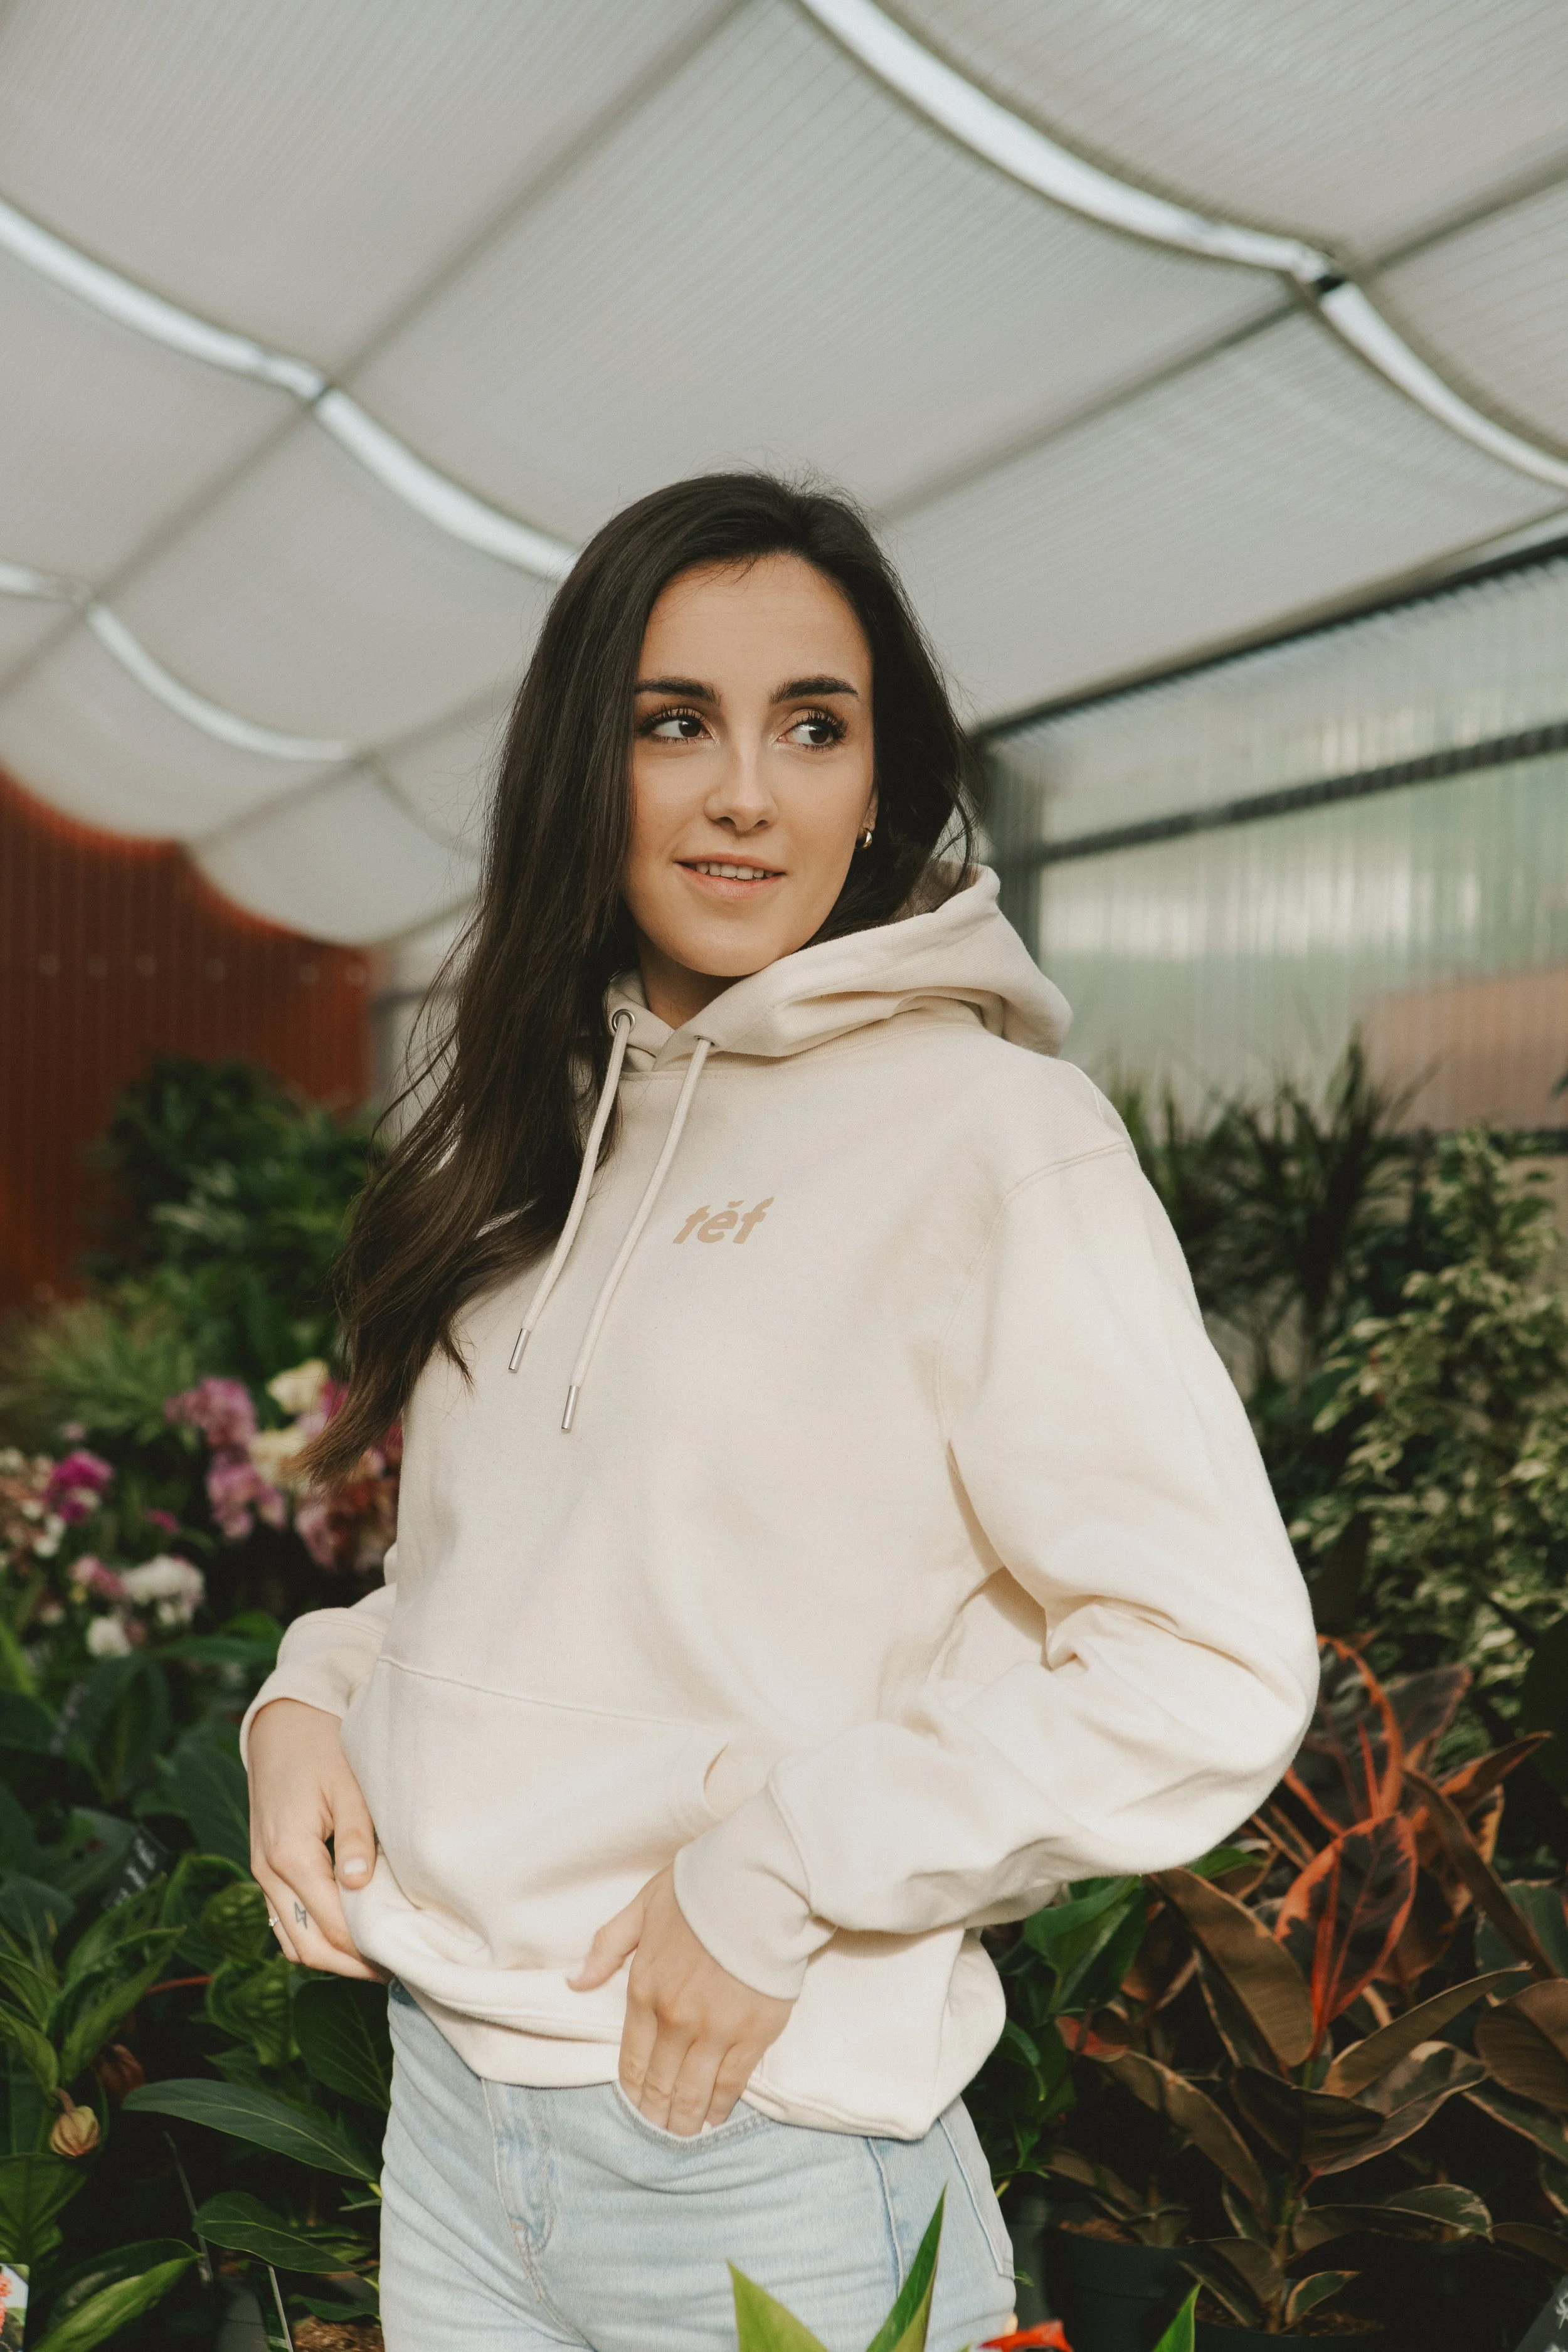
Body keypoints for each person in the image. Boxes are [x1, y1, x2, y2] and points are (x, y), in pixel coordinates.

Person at [243, 474, 1318, 2351]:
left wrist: (776, 1870)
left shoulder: (989, 1139)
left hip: (762, 2142)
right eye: (677, 723)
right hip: (450, 2123)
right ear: (584, 763)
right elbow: (521, 1575)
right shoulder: (552, 1124)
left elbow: (1206, 1661)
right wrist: (310, 1695)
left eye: (810, 726)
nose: (746, 790)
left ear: (876, 780)